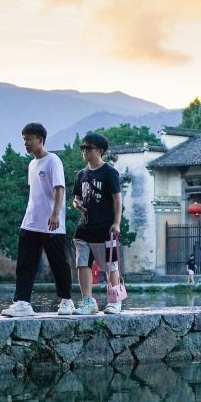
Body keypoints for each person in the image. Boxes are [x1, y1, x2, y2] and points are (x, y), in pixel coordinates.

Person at [1, 122, 74, 317]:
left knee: (58, 263)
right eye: (24, 140)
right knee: (25, 263)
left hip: (51, 223)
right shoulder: (32, 164)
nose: (25, 143)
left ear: (40, 140)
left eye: (29, 139)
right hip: (31, 221)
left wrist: (55, 214)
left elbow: (59, 188)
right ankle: (23, 302)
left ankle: (66, 300)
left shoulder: (53, 160)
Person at [71, 133, 125, 315]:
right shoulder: (81, 174)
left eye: (89, 148)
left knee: (111, 265)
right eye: (83, 148)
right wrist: (76, 204)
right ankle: (88, 302)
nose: (84, 151)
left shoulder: (109, 172)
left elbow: (117, 199)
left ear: (100, 151)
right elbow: (77, 198)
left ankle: (115, 301)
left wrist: (117, 223)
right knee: (82, 263)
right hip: (84, 227)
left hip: (105, 227)